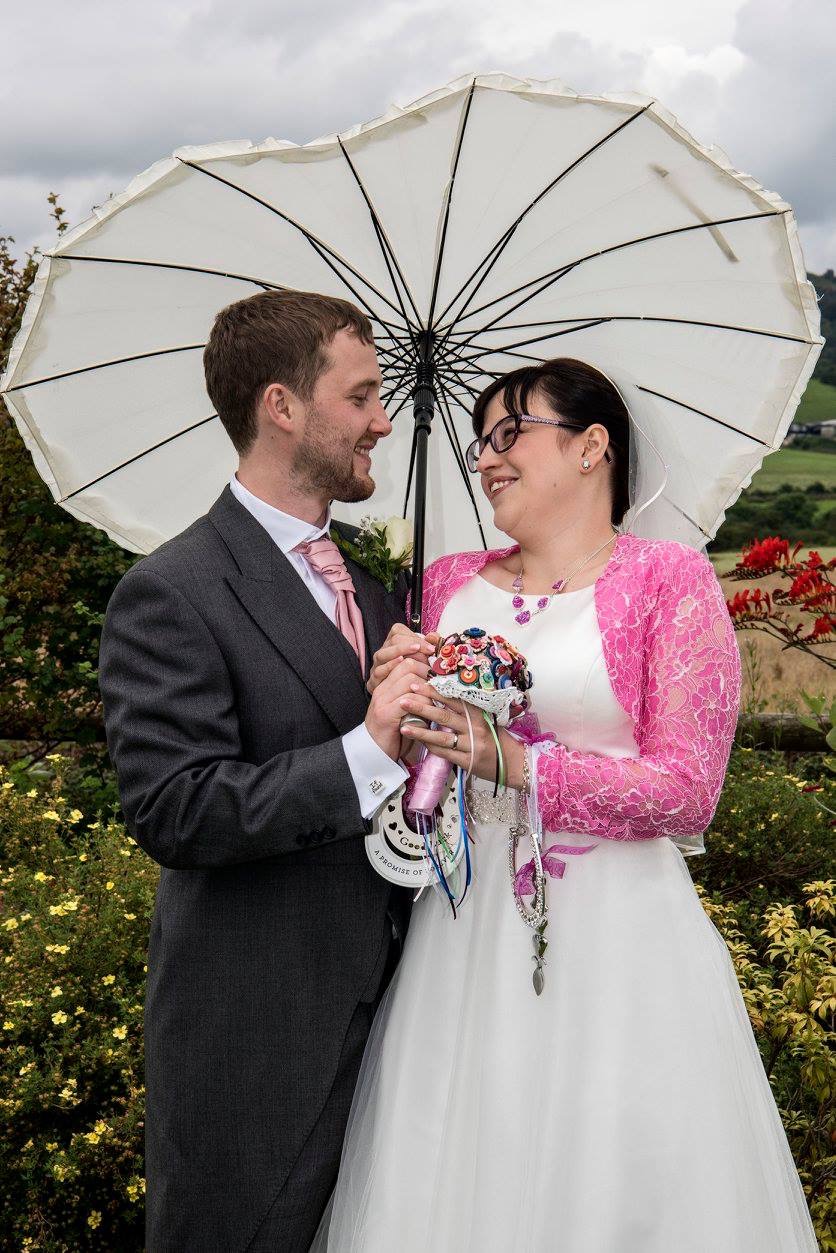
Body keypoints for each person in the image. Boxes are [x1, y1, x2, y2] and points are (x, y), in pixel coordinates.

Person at [316, 358, 819, 1251]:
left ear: (592, 447)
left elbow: (687, 790)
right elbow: (409, 764)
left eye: (511, 433)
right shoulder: (443, 583)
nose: (486, 458)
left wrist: (513, 762)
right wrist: (393, 693)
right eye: (480, 442)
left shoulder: (667, 580)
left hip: (619, 945)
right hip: (459, 938)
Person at [98, 290, 431, 1252]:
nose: (382, 421)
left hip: (405, 1026)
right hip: (257, 1042)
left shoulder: (374, 593)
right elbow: (176, 808)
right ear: (281, 406)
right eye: (361, 396)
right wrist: (369, 748)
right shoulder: (172, 591)